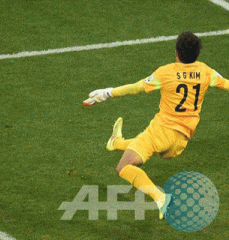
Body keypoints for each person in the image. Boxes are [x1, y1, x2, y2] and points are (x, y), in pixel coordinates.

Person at [83, 31, 229, 219]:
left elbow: (137, 88)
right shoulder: (206, 72)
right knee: (142, 145)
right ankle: (116, 142)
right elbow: (226, 84)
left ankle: (159, 197)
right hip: (181, 141)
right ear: (197, 54)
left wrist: (108, 92)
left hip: (161, 132)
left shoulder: (166, 72)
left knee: (124, 167)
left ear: (176, 53)